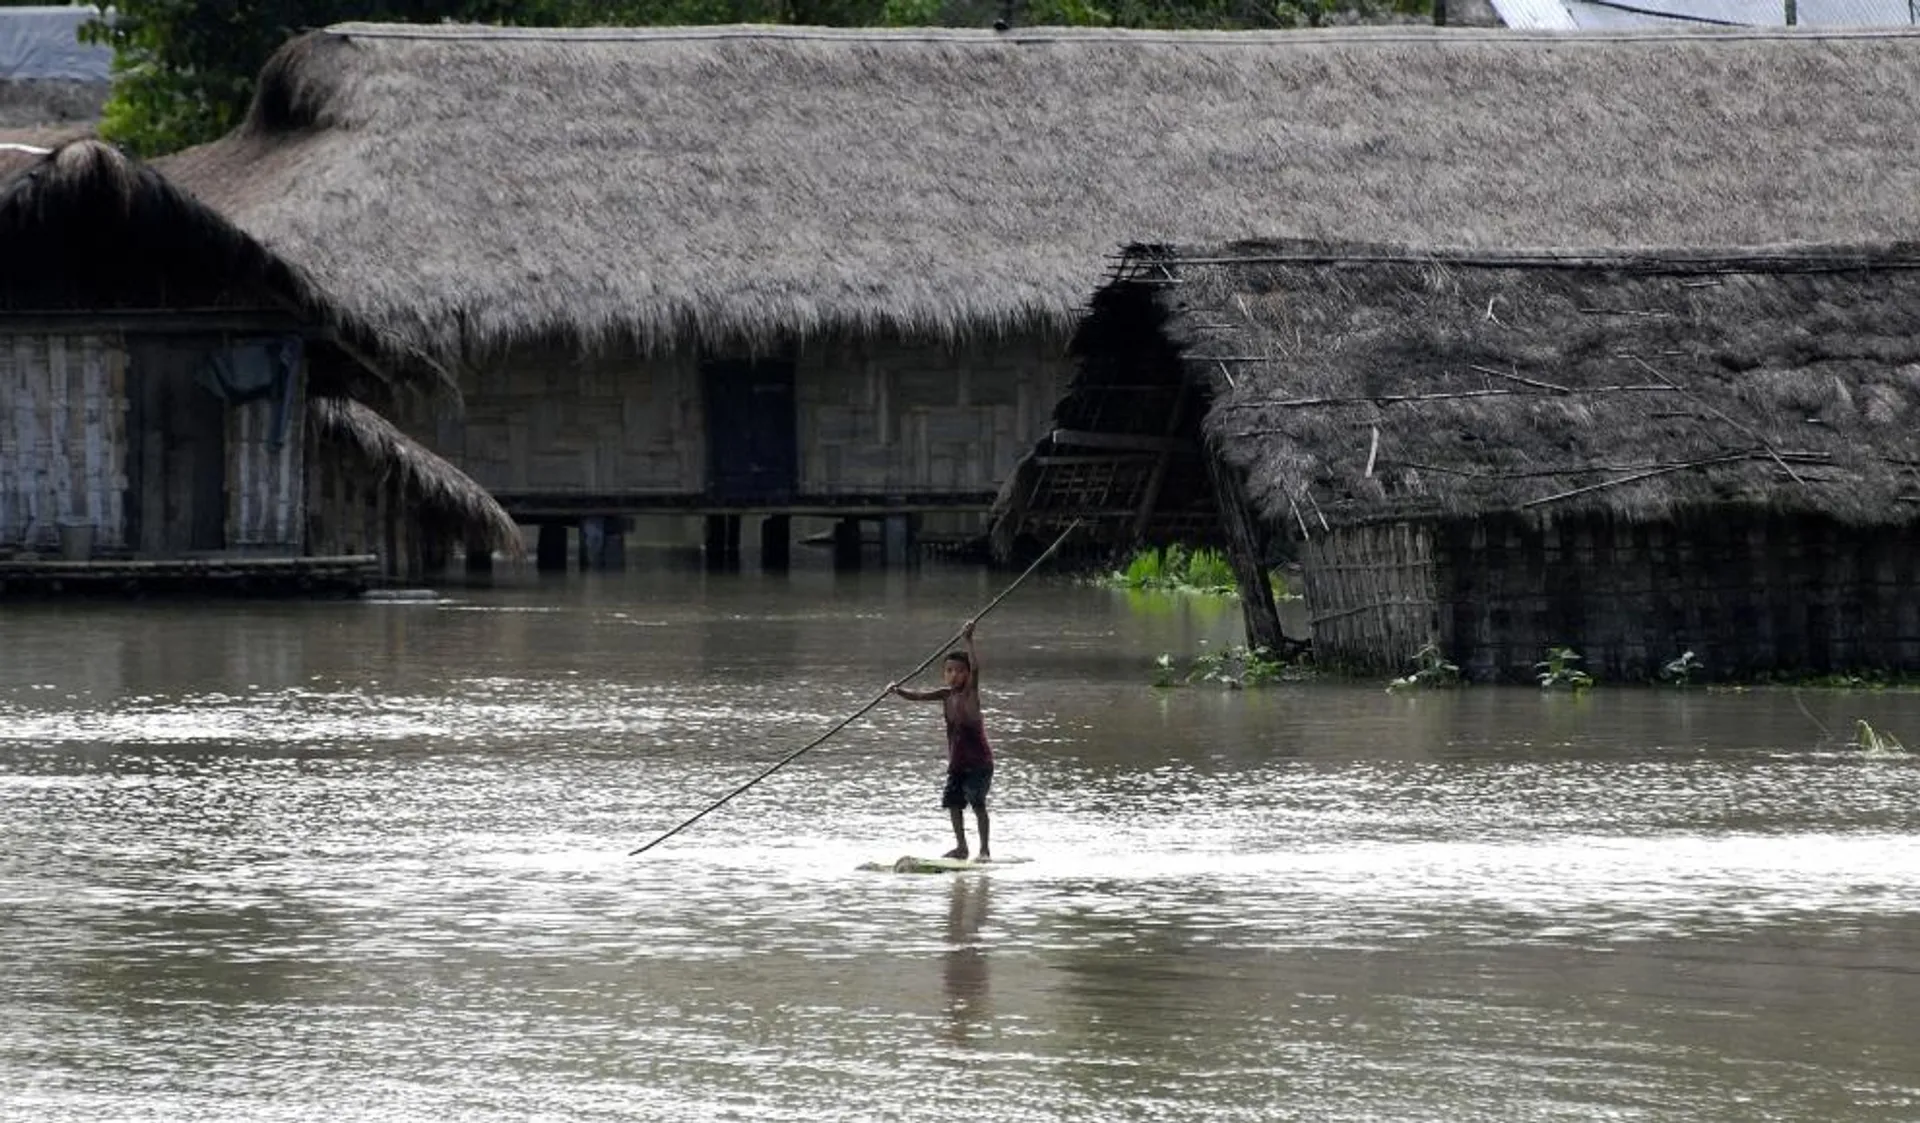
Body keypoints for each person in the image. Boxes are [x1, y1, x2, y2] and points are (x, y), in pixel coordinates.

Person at [889, 619, 993, 861]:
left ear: (967, 675)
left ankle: (985, 850)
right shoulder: (945, 695)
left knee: (977, 804)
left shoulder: (970, 695)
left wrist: (969, 641)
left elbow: (977, 669)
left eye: (959, 671)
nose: (954, 675)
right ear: (944, 674)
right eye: (949, 671)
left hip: (979, 764)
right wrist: (897, 690)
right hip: (957, 764)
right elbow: (918, 696)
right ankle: (961, 847)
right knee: (953, 803)